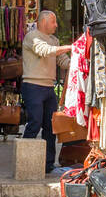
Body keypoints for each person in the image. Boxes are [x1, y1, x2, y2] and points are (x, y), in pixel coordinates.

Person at [22, 10, 72, 174]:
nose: (56, 25)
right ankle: (25, 161)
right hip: (33, 86)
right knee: (34, 123)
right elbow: (45, 50)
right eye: (53, 22)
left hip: (49, 87)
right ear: (43, 22)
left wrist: (77, 61)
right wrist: (72, 46)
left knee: (51, 127)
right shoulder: (32, 37)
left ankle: (48, 164)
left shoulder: (54, 40)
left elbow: (62, 61)